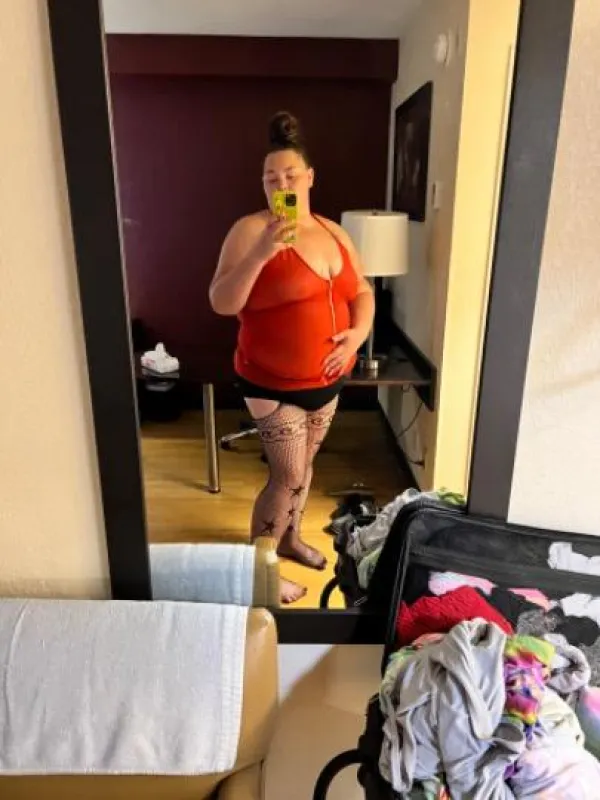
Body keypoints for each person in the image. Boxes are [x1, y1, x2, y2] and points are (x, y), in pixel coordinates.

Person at [209, 111, 375, 603]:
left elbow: (362, 291)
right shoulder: (248, 231)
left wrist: (356, 336)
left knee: (305, 466)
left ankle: (290, 539)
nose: (281, 184)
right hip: (270, 381)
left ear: (309, 178)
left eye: (290, 175)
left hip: (327, 380)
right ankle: (259, 570)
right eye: (270, 178)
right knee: (288, 474)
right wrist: (262, 252)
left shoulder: (334, 231)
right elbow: (221, 302)